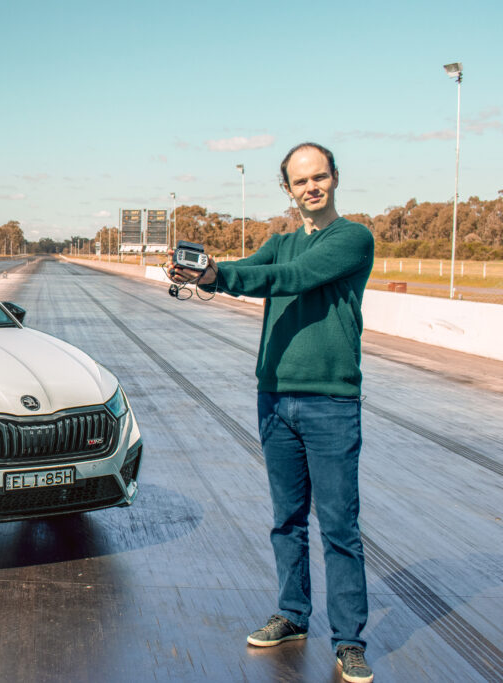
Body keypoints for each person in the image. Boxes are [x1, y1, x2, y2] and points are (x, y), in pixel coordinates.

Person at [167, 142, 375, 683]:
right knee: (286, 521)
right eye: (301, 181)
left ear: (334, 179)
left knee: (339, 528)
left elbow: (292, 278)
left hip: (331, 401)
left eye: (320, 177)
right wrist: (207, 271)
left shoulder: (351, 239)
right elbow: (246, 269)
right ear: (287, 190)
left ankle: (349, 640)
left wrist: (219, 278)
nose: (312, 187)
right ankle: (294, 614)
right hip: (274, 398)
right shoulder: (278, 241)